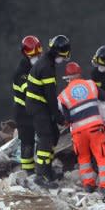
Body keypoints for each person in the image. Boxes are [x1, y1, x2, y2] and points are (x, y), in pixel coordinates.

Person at [57, 62, 105, 195]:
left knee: (83, 158)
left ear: (67, 78)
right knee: (101, 156)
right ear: (80, 74)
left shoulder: (63, 95)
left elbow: (67, 118)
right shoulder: (90, 84)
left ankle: (88, 185)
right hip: (95, 128)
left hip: (78, 132)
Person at [26, 34, 71, 187]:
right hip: (38, 106)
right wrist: (58, 116)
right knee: (45, 138)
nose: (62, 60)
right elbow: (50, 97)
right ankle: (41, 175)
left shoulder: (47, 62)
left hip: (40, 104)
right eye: (62, 57)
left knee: (54, 135)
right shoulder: (46, 68)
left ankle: (48, 170)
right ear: (58, 54)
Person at [13, 35, 41, 174]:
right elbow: (30, 91)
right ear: (24, 52)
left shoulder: (37, 67)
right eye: (32, 52)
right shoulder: (21, 72)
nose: (36, 55)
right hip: (23, 113)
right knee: (27, 143)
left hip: (36, 111)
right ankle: (28, 171)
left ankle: (42, 170)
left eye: (38, 51)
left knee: (44, 140)